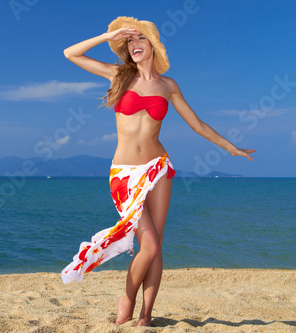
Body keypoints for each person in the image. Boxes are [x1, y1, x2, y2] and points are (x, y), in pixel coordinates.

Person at [60, 16, 255, 327]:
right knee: (147, 244)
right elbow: (71, 53)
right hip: (124, 174)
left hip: (159, 168)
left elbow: (198, 124)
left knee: (156, 244)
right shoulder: (119, 75)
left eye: (141, 39)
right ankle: (128, 300)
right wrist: (108, 35)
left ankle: (146, 315)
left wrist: (230, 148)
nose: (135, 45)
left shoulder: (168, 85)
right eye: (130, 41)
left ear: (153, 46)